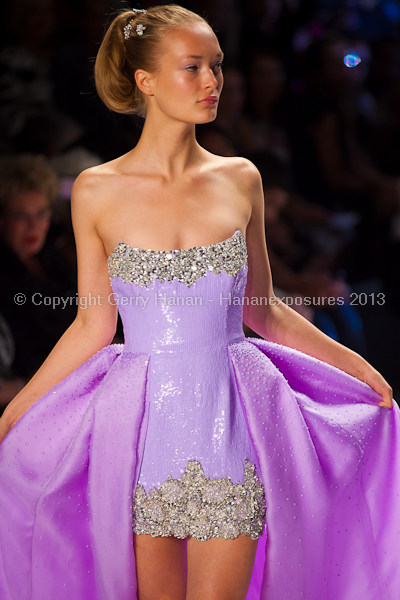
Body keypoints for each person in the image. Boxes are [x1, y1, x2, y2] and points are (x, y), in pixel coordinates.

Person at [0, 5, 399, 600]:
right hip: (135, 431)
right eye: (194, 68)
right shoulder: (95, 190)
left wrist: (361, 369)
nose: (213, 81)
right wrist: (16, 412)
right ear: (146, 80)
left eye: (216, 65)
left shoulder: (241, 178)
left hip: (230, 419)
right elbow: (92, 323)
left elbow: (263, 310)